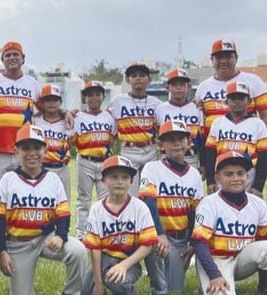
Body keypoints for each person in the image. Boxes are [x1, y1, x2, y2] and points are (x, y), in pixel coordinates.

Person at [0, 124, 87, 295]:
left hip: (46, 238)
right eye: (25, 148)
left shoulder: (52, 179)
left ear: (45, 150)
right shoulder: (8, 179)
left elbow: (63, 214)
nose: (32, 153)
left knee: (78, 251)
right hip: (18, 243)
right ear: (16, 151)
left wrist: (60, 236)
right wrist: (2, 252)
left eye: (37, 148)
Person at [191, 151, 267, 295]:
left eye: (240, 173)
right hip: (216, 260)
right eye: (229, 174)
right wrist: (214, 275)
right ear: (217, 178)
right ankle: (220, 281)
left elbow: (265, 239)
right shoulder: (209, 203)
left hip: (242, 258)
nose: (235, 178)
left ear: (247, 176)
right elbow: (199, 243)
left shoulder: (258, 203)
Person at [0, 41, 41, 238]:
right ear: (2, 60)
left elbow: (47, 110)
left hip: (25, 149)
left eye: (15, 54)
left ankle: (21, 232)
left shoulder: (32, 83)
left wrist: (67, 114)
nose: (12, 58)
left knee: (23, 192)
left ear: (23, 59)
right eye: (8, 55)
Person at [81, 156, 158, 295]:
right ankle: (104, 283)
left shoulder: (140, 207)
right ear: (103, 180)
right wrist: (98, 283)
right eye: (114, 177)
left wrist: (124, 265)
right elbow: (94, 249)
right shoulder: (97, 209)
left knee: (115, 280)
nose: (120, 181)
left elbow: (148, 244)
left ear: (131, 181)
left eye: (125, 177)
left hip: (129, 261)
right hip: (104, 259)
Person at [138, 121, 204, 294]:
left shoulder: (194, 174)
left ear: (188, 143)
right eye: (170, 139)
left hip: (181, 238)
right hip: (160, 233)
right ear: (161, 145)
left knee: (175, 291)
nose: (176, 143)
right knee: (165, 290)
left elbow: (194, 211)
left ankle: (173, 264)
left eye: (181, 139)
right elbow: (149, 202)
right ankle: (155, 274)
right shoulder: (152, 168)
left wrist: (192, 241)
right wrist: (159, 234)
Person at [196, 38, 267, 163]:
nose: (223, 61)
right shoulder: (203, 87)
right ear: (212, 60)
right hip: (216, 153)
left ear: (236, 58)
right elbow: (200, 123)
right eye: (218, 57)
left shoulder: (254, 81)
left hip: (248, 153)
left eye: (228, 56)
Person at [203, 81, 267, 197]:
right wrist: (210, 180)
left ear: (249, 101)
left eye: (241, 98)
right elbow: (210, 153)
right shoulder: (218, 123)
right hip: (223, 172)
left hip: (247, 173)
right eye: (233, 98)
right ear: (226, 101)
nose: (237, 101)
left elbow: (264, 157)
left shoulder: (258, 124)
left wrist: (258, 186)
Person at [70, 80, 117, 238]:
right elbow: (72, 139)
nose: (94, 98)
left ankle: (104, 231)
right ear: (85, 98)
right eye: (90, 95)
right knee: (84, 200)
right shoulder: (78, 117)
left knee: (106, 199)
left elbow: (114, 138)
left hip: (104, 161)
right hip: (85, 159)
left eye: (97, 94)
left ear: (103, 96)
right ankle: (82, 234)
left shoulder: (109, 117)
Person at [108, 61, 162, 195]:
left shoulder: (157, 103)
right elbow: (105, 122)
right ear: (127, 79)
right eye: (134, 75)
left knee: (150, 192)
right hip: (129, 149)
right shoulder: (118, 101)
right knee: (130, 193)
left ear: (149, 79)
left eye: (142, 75)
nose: (138, 78)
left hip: (150, 149)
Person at [155, 69, 204, 169]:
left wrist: (203, 163)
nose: (178, 87)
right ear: (167, 88)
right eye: (174, 84)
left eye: (182, 84)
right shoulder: (160, 109)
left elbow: (201, 138)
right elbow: (157, 135)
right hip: (167, 157)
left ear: (189, 87)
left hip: (191, 157)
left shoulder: (197, 109)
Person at [33, 85, 73, 197]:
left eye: (55, 100)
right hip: (41, 167)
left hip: (61, 168)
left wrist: (67, 113)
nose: (51, 103)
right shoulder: (35, 120)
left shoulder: (68, 121)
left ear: (60, 102)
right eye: (48, 100)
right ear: (42, 102)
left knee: (63, 202)